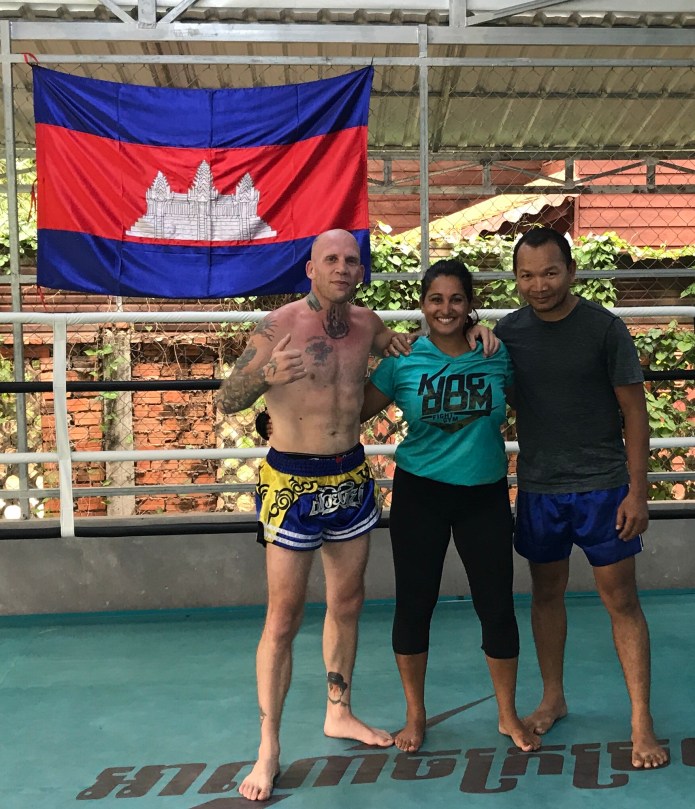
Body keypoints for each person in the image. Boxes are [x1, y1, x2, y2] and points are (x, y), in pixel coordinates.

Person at [216, 229, 494, 801]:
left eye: (351, 260)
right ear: (311, 268)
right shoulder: (278, 325)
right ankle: (268, 747)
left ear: (360, 271)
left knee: (347, 603)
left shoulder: (370, 326)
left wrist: (477, 330)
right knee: (283, 617)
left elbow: (428, 343)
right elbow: (225, 398)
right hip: (291, 479)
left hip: (349, 475)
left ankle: (338, 711)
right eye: (331, 259)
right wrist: (266, 376)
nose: (342, 267)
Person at [495, 226, 668, 769]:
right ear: (515, 279)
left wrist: (638, 491)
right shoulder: (507, 334)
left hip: (603, 488)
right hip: (540, 489)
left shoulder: (604, 328)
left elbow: (635, 414)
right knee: (546, 594)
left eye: (550, 272)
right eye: (527, 275)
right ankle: (553, 698)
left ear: (570, 271)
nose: (539, 285)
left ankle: (641, 719)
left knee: (621, 601)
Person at [360, 258, 541, 755]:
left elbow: (538, 401)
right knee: (415, 604)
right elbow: (351, 410)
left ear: (469, 304)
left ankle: (507, 714)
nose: (446, 309)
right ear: (423, 304)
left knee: (496, 606)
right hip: (421, 494)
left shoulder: (495, 354)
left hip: (483, 494)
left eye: (456, 299)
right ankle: (415, 715)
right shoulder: (403, 359)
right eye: (436, 299)